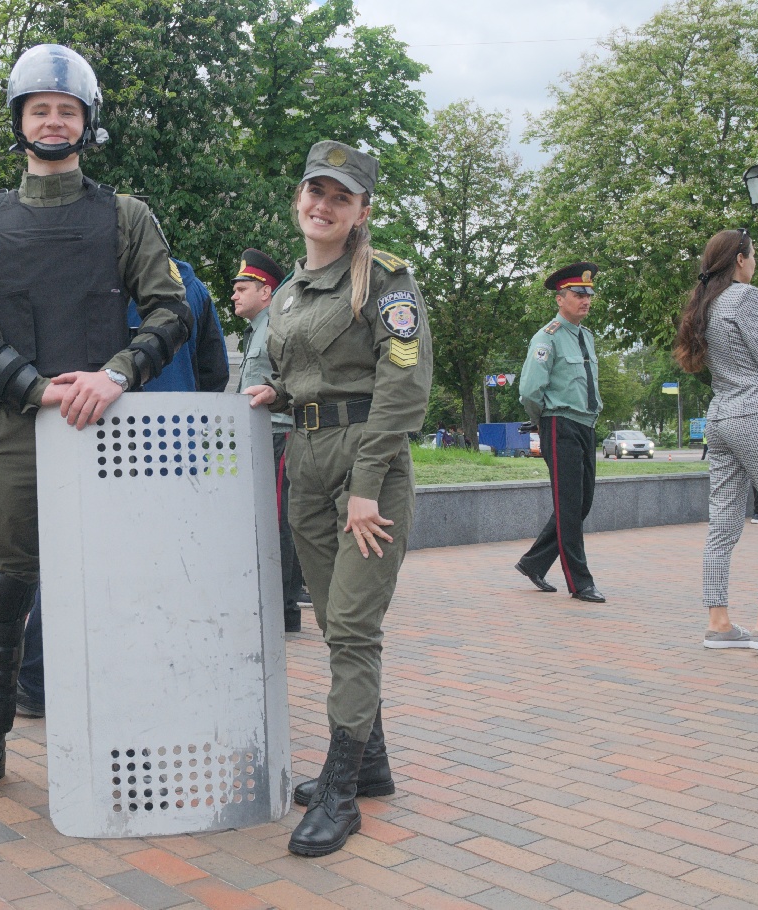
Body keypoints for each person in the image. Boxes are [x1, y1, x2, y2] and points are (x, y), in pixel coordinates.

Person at [0, 43, 191, 804]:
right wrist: (34, 388)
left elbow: (170, 310)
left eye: (66, 110)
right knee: (1, 591)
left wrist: (118, 373)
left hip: (105, 425)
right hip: (18, 429)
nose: (53, 121)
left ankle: (127, 741)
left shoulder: (126, 217)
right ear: (19, 121)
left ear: (86, 122)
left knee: (119, 589)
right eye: (40, 110)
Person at [244, 140, 432, 857]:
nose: (322, 206)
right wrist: (277, 391)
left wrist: (364, 487)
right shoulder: (289, 292)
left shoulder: (385, 281)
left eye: (340, 197)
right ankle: (371, 764)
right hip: (307, 461)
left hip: (367, 467)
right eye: (314, 191)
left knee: (352, 628)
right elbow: (304, 370)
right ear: (299, 198)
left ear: (361, 212)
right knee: (332, 623)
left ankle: (340, 793)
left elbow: (402, 387)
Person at [15, 256, 231, 720]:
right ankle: (161, 678)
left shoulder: (86, 275)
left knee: (71, 567)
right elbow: (214, 372)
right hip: (176, 455)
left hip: (103, 450)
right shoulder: (187, 284)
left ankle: (36, 683)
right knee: (170, 572)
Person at [673, 228, 758, 653]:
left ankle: (718, 625)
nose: (755, 262)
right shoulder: (745, 297)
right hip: (757, 415)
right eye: (753, 255)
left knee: (722, 526)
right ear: (739, 259)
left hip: (720, 418)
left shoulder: (707, 302)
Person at [514, 262, 606, 603]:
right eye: (578, 294)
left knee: (581, 503)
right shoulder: (546, 337)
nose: (586, 300)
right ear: (560, 299)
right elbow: (529, 391)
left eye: (589, 295)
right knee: (569, 506)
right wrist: (541, 420)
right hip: (559, 423)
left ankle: (533, 562)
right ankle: (580, 582)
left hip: (585, 424)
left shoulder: (586, 336)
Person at [232, 248, 304, 633]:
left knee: (278, 521)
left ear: (266, 292)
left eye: (242, 288)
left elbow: (291, 380)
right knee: (268, 518)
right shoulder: (256, 329)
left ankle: (283, 608)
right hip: (262, 435)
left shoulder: (276, 326)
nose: (234, 294)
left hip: (278, 433)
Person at [126, 258, 229, 392]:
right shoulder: (195, 289)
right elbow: (215, 370)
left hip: (124, 403)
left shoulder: (111, 287)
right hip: (185, 403)